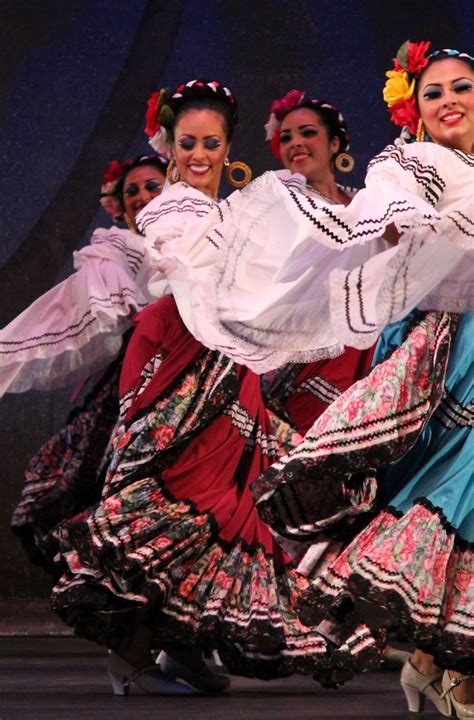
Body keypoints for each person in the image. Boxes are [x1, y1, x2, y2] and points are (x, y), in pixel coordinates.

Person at [49, 78, 371, 698]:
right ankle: (133, 655)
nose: (199, 155)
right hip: (178, 353)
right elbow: (195, 272)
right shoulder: (172, 209)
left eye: (212, 143)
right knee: (175, 490)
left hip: (224, 354)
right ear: (168, 146)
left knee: (225, 496)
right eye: (188, 142)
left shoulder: (236, 210)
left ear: (229, 149)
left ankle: (179, 647)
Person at [254, 42, 473, 718]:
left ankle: (439, 661)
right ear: (415, 108)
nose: (449, 102)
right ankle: (450, 668)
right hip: (452, 345)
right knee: (458, 487)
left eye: (462, 87)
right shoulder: (411, 162)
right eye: (433, 93)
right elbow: (390, 217)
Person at [6, 154, 167, 573]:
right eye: (131, 191)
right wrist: (128, 302)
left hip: (198, 368)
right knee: (106, 473)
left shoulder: (203, 234)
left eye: (153, 186)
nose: (142, 197)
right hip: (136, 373)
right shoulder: (123, 245)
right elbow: (107, 272)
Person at [261, 90, 376, 436]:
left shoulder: (367, 203)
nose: (295, 143)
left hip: (372, 351)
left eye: (308, 132)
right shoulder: (278, 207)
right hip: (304, 354)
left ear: (335, 144)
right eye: (286, 138)